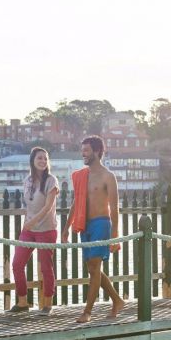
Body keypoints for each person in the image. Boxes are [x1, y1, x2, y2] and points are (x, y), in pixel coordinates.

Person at [61, 136, 125, 323]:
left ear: (97, 151)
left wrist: (115, 233)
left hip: (101, 224)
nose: (83, 154)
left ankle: (87, 311)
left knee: (95, 266)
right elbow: (76, 203)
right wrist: (66, 228)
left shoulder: (108, 176)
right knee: (91, 267)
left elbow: (114, 207)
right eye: (82, 150)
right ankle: (117, 300)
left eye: (87, 150)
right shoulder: (83, 175)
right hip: (85, 225)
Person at [8, 147, 60, 316]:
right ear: (32, 160)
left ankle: (47, 304)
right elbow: (29, 206)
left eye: (45, 158)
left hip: (46, 229)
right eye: (40, 158)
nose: (43, 161)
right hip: (29, 230)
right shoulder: (27, 181)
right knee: (17, 264)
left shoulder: (51, 181)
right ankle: (23, 302)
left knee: (46, 267)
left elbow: (48, 207)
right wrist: (27, 224)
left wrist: (32, 222)